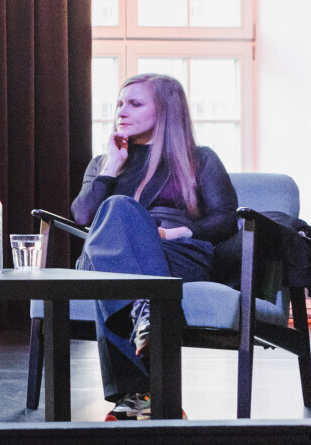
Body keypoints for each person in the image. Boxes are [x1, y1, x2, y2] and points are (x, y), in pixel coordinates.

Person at [71, 73, 238, 421]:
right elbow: (83, 215)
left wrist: (172, 232)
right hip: (106, 255)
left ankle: (139, 394)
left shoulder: (200, 159)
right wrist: (112, 167)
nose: (121, 111)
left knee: (114, 252)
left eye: (134, 103)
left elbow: (225, 219)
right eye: (119, 103)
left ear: (165, 110)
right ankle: (148, 314)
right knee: (117, 210)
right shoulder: (104, 163)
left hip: (175, 254)